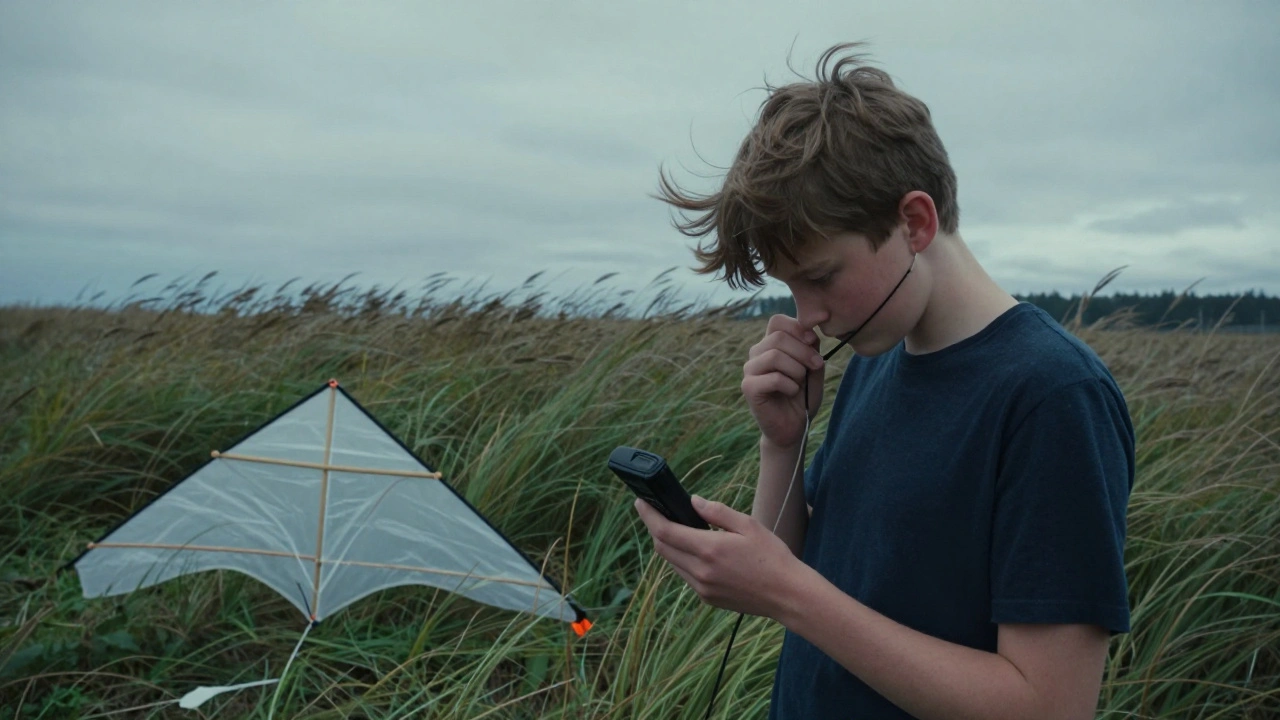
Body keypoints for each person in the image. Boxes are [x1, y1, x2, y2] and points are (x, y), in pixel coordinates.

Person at [635, 42, 1134, 719]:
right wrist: (783, 445)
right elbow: (825, 571)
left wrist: (788, 594)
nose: (805, 314)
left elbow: (1049, 705)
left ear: (916, 222)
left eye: (820, 277)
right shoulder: (877, 353)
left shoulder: (1051, 396)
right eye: (789, 285)